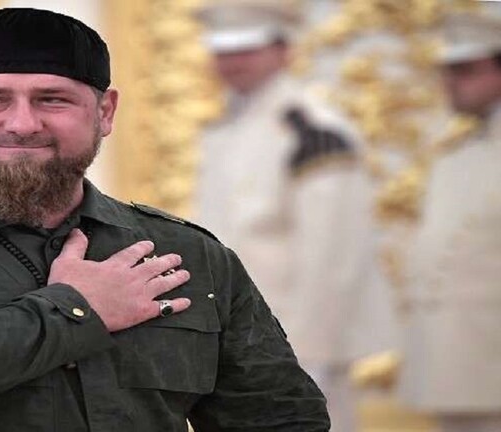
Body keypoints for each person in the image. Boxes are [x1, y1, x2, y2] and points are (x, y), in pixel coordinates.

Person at [0, 8, 329, 431]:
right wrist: (77, 309)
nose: (23, 124)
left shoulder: (185, 254)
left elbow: (281, 419)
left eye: (53, 99)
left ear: (105, 112)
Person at [194, 1, 392, 430]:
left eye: (246, 49)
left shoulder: (313, 130)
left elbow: (334, 257)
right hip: (235, 339)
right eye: (223, 50)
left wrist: (307, 355)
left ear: (283, 50)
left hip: (295, 343)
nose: (232, 61)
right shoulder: (224, 129)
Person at [398, 10, 501, 432]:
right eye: (448, 70)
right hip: (456, 359)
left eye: (466, 69)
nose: (451, 81)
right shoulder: (457, 157)